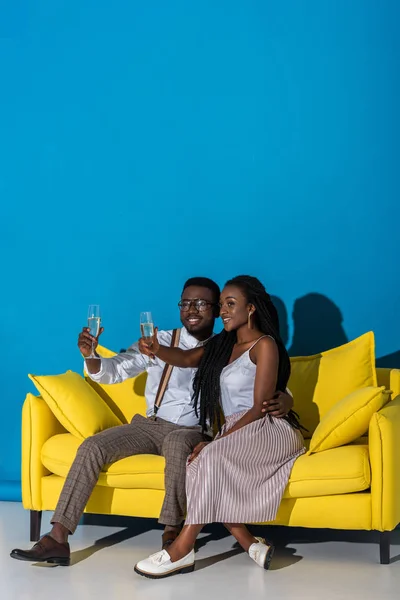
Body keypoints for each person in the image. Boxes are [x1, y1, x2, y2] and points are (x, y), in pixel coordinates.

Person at [11, 277, 294, 566]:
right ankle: (57, 538)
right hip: (149, 425)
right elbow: (114, 371)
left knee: (176, 443)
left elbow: (258, 385)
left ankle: (172, 535)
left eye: (201, 303)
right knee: (92, 446)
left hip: (193, 431)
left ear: (216, 309)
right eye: (185, 303)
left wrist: (286, 398)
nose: (191, 309)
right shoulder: (160, 341)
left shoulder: (226, 345)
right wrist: (91, 355)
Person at [134, 275, 305, 579]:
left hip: (267, 429)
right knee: (196, 463)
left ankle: (181, 549)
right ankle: (249, 543)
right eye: (222, 304)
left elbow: (259, 407)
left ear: (251, 308)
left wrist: (217, 443)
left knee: (209, 458)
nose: (223, 310)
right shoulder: (223, 345)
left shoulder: (264, 345)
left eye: (230, 304)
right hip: (238, 429)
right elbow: (186, 358)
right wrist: (155, 349)